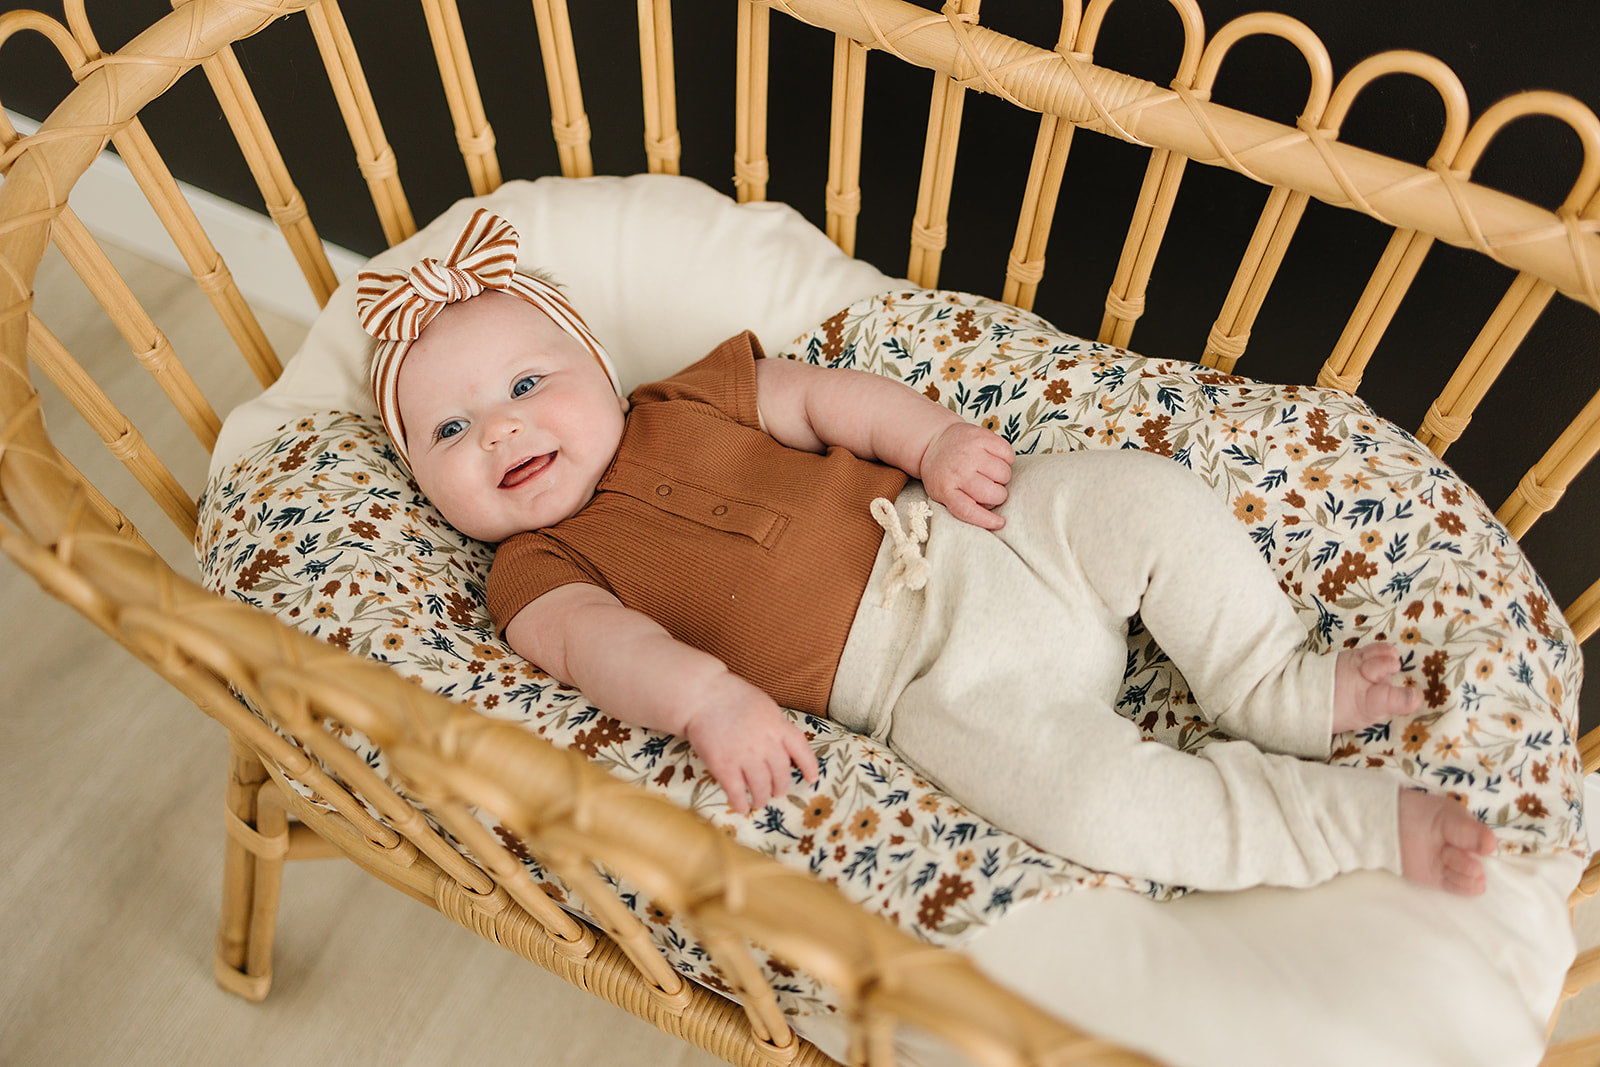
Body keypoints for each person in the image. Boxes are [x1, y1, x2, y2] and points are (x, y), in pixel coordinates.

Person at [357, 209, 1496, 896]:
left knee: (1152, 501)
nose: (499, 427)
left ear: (599, 375)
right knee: (1097, 807)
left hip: (972, 531)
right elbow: (600, 647)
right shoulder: (533, 569)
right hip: (928, 688)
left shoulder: (687, 397)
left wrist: (937, 439)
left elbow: (825, 403)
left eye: (523, 385)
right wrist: (706, 700)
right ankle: (1351, 827)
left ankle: (1277, 681)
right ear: (418, 479)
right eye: (449, 431)